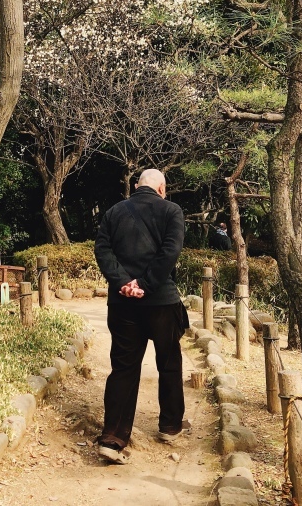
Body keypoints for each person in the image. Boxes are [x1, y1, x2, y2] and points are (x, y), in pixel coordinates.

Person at [94, 168, 189, 465]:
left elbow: (102, 249)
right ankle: (170, 427)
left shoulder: (113, 212)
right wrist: (146, 286)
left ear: (137, 187)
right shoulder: (172, 211)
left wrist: (124, 283)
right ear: (162, 189)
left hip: (123, 305)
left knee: (123, 367)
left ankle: (113, 438)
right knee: (169, 362)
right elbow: (170, 252)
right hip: (162, 301)